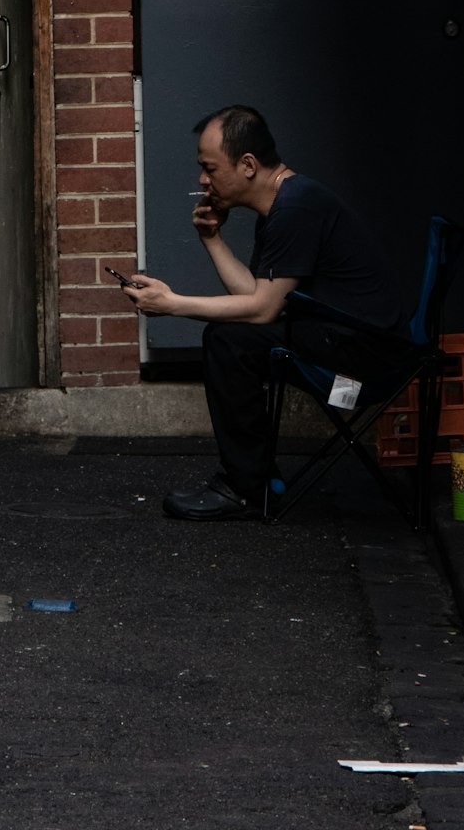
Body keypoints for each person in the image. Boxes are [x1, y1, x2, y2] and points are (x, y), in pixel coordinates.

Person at [120, 105, 406, 521]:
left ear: (248, 165)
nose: (203, 179)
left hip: (365, 357)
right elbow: (257, 297)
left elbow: (261, 309)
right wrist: (212, 239)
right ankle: (255, 479)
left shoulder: (295, 209)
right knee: (231, 336)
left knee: (228, 341)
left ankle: (245, 488)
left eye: (210, 168)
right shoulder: (284, 203)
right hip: (345, 337)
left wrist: (173, 304)